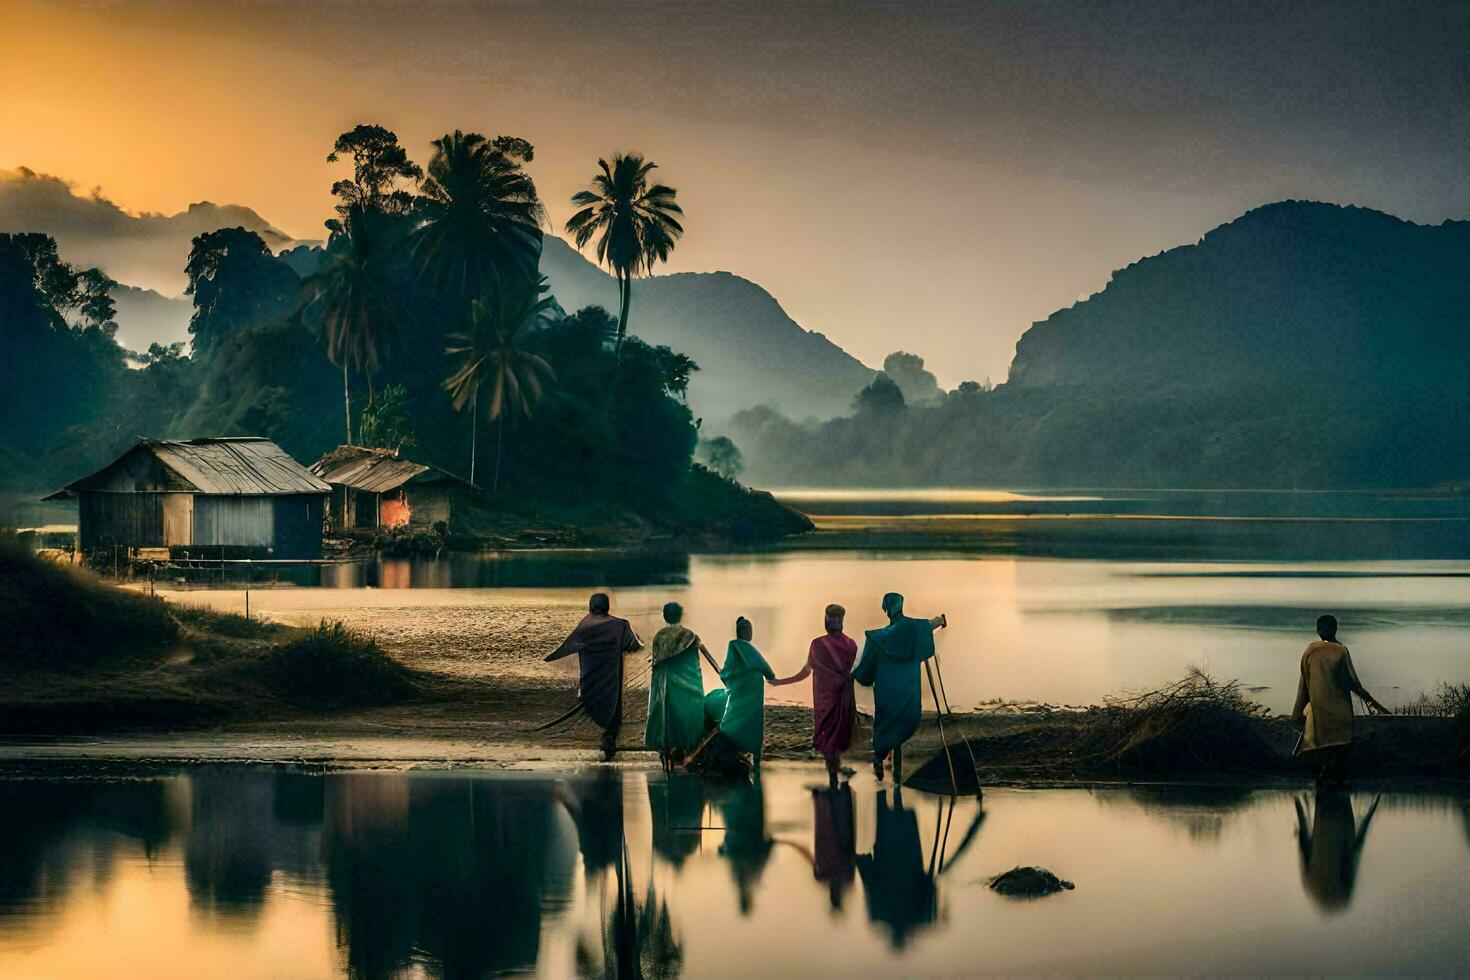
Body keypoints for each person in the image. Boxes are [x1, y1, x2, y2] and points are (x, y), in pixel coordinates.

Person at [852, 593, 947, 782]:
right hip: (908, 691)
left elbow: (865, 671)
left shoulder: (877, 639)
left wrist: (853, 673)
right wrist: (941, 620)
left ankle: (881, 760)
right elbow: (931, 624)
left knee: (887, 726)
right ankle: (896, 776)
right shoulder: (916, 628)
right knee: (903, 726)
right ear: (902, 606)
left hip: (887, 692)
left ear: (885, 609)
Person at [1290, 614, 1389, 783]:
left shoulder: (1310, 650)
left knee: (1322, 744)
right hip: (1340, 712)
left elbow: (1304, 684)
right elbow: (1352, 682)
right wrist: (1365, 696)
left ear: (1318, 631)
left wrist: (1298, 712)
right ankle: (1328, 773)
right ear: (1335, 630)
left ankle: (1325, 773)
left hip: (1318, 710)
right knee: (1339, 746)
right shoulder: (1341, 650)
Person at [544, 592, 643, 760]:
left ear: (591, 606)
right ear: (607, 606)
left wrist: (549, 657)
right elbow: (634, 645)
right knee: (614, 707)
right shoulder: (620, 625)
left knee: (595, 704)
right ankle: (610, 737)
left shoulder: (584, 626)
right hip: (611, 678)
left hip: (590, 680)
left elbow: (567, 647)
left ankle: (605, 736)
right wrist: (637, 641)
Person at [771, 603, 859, 785]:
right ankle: (837, 776)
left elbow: (805, 672)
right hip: (845, 695)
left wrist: (781, 682)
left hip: (826, 699)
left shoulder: (818, 644)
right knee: (839, 733)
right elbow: (854, 671)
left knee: (829, 735)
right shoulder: (851, 644)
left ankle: (833, 776)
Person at [645, 601, 721, 770]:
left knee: (667, 718)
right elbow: (708, 656)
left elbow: (656, 665)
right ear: (680, 616)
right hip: (690, 689)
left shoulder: (659, 636)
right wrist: (724, 675)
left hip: (665, 689)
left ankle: (668, 753)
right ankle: (687, 752)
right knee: (691, 720)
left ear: (665, 616)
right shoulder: (690, 636)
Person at [717, 616, 776, 765]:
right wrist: (771, 678)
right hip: (752, 691)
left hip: (740, 691)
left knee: (733, 718)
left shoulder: (733, 647)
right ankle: (754, 758)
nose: (750, 634)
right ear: (744, 632)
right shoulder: (744, 647)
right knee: (752, 723)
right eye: (749, 630)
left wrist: (732, 680)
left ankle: (732, 748)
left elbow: (725, 673)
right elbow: (764, 667)